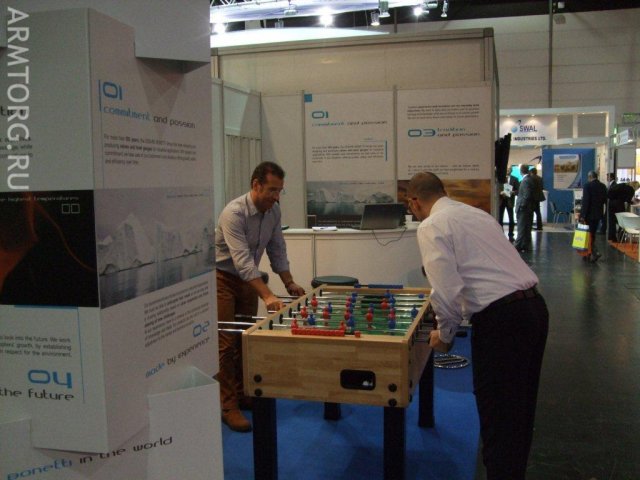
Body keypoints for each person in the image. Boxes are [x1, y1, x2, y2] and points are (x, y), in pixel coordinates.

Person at [406, 171, 549, 480]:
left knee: (498, 415)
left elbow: (445, 290)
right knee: (520, 411)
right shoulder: (475, 214)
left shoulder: (431, 225)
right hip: (534, 308)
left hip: (502, 321)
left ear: (414, 202)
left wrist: (445, 336)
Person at [215, 161, 305, 432]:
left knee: (245, 339)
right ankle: (228, 406)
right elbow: (242, 261)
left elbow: (277, 248)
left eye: (279, 191)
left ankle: (243, 394)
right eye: (272, 190)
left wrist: (289, 282)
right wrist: (267, 296)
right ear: (256, 185)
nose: (277, 197)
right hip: (222, 278)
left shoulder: (273, 211)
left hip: (248, 281)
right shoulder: (233, 213)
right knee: (226, 343)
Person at [579, 170, 607, 262]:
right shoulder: (603, 186)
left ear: (590, 177)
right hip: (598, 214)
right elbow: (604, 200)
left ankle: (594, 252)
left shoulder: (587, 186)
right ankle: (589, 253)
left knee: (588, 235)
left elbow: (586, 202)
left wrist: (582, 215)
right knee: (593, 234)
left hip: (589, 215)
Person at [514, 164, 535, 253]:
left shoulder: (525, 180)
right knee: (526, 228)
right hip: (528, 208)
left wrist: (522, 205)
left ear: (521, 171)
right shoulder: (529, 179)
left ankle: (517, 246)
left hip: (523, 209)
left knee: (521, 228)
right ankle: (525, 245)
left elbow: (527, 195)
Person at [498, 167, 520, 242]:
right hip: (501, 200)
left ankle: (511, 235)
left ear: (511, 171)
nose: (508, 171)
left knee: (511, 219)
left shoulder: (515, 179)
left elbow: (518, 190)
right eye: (507, 169)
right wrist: (500, 192)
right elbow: (497, 188)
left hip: (510, 201)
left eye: (509, 169)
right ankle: (500, 234)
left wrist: (512, 192)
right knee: (500, 219)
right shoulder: (500, 178)